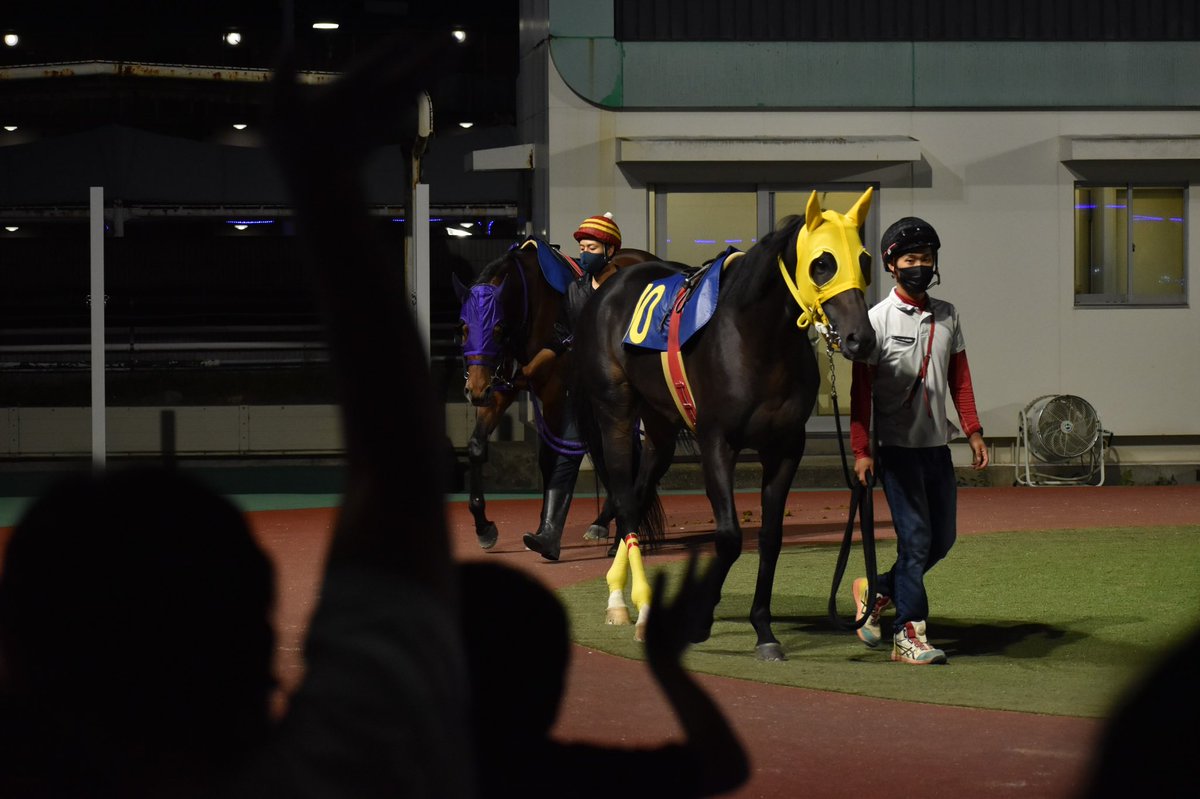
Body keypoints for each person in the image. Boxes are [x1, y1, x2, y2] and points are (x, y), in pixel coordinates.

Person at [0, 34, 474, 798]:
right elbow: (400, 477)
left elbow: (399, 480)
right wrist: (323, 182)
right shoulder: (345, 766)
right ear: (257, 652)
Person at [458, 552, 749, 798]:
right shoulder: (569, 774)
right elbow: (724, 764)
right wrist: (666, 665)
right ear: (555, 684)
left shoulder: (423, 766)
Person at [848, 216, 988, 666]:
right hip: (895, 451)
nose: (920, 265)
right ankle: (908, 633)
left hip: (935, 448)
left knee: (941, 541)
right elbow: (860, 392)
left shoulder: (947, 314)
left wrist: (973, 430)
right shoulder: (876, 320)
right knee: (916, 540)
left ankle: (877, 590)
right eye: (911, 258)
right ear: (892, 265)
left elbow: (959, 378)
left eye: (926, 258)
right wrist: (862, 450)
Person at [521, 213, 626, 561]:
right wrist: (537, 363)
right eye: (582, 248)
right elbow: (563, 335)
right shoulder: (575, 290)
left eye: (592, 247)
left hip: (619, 390)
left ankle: (628, 531)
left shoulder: (627, 288)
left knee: (617, 462)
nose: (584, 255)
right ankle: (550, 534)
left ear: (610, 250)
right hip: (582, 390)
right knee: (565, 459)